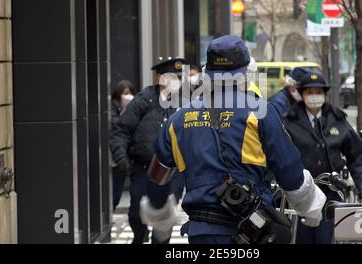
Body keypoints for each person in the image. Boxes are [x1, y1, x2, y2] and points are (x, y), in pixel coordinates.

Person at [139, 35, 326, 244]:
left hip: (201, 233)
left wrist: (161, 220)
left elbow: (157, 179)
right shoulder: (261, 111)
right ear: (246, 73)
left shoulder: (178, 119)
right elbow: (290, 172)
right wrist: (312, 209)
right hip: (253, 231)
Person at [284, 71, 362, 244]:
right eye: (310, 92)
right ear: (301, 95)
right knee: (301, 237)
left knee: (327, 237)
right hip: (300, 192)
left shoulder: (338, 120)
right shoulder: (289, 121)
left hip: (331, 191)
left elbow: (356, 155)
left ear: (325, 94)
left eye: (318, 92)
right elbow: (278, 155)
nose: (314, 96)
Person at [109, 58, 188, 244]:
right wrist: (123, 161)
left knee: (164, 218)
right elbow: (121, 131)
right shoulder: (144, 100)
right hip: (143, 169)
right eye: (171, 77)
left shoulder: (185, 103)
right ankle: (139, 237)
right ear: (160, 78)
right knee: (137, 214)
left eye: (178, 77)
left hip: (173, 171)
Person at [110, 80, 136, 211]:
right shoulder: (112, 108)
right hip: (114, 159)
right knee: (113, 194)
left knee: (117, 194)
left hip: (127, 156)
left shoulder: (135, 109)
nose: (128, 96)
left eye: (131, 93)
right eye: (126, 93)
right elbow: (115, 125)